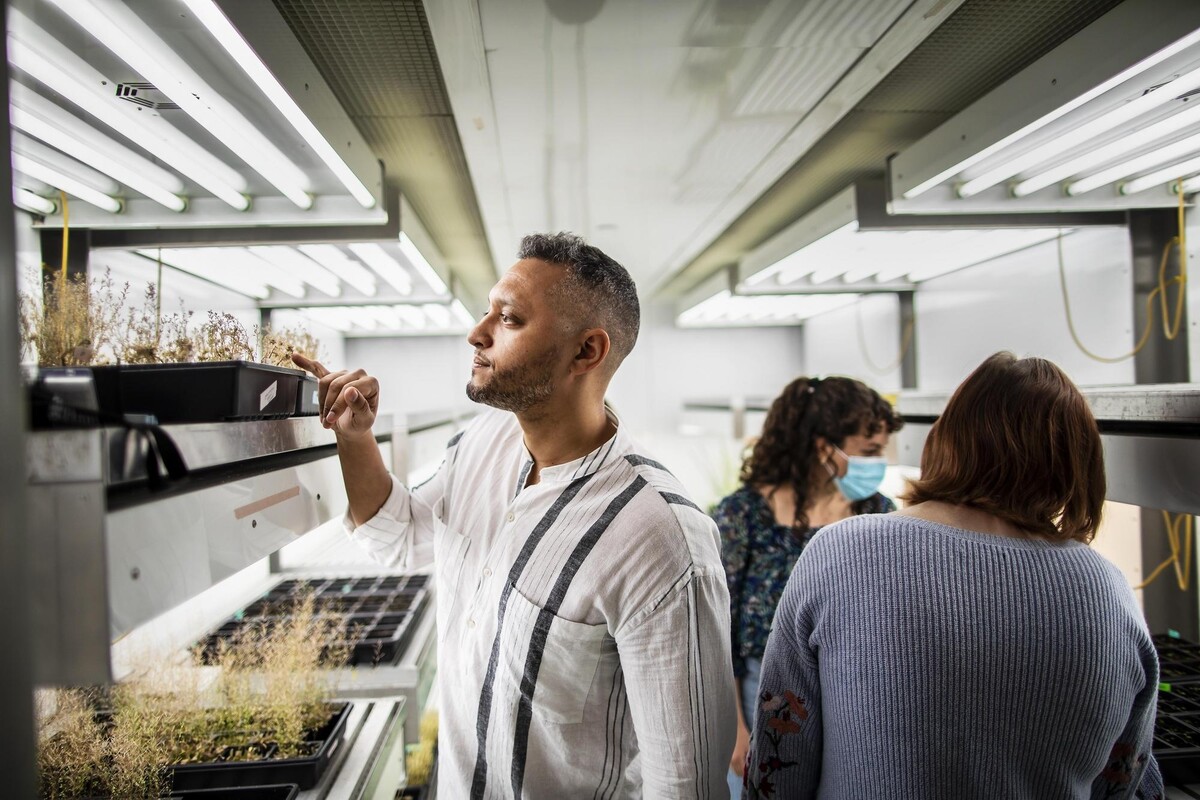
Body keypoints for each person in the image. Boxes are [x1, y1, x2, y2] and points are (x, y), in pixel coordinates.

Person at [293, 232, 736, 799]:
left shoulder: (658, 537)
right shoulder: (483, 444)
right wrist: (354, 437)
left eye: (510, 319)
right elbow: (399, 537)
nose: (476, 334)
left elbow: (686, 785)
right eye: (486, 312)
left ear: (587, 352)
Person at [744, 352, 1162, 799]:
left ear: (947, 440)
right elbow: (1125, 778)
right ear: (1078, 463)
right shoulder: (1110, 592)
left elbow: (777, 763)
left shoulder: (840, 553)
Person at [714, 376, 903, 797]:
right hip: (762, 697)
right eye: (869, 452)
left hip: (854, 693)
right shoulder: (743, 516)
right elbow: (714, 632)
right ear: (824, 449)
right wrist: (736, 732)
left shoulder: (879, 515)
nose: (879, 464)